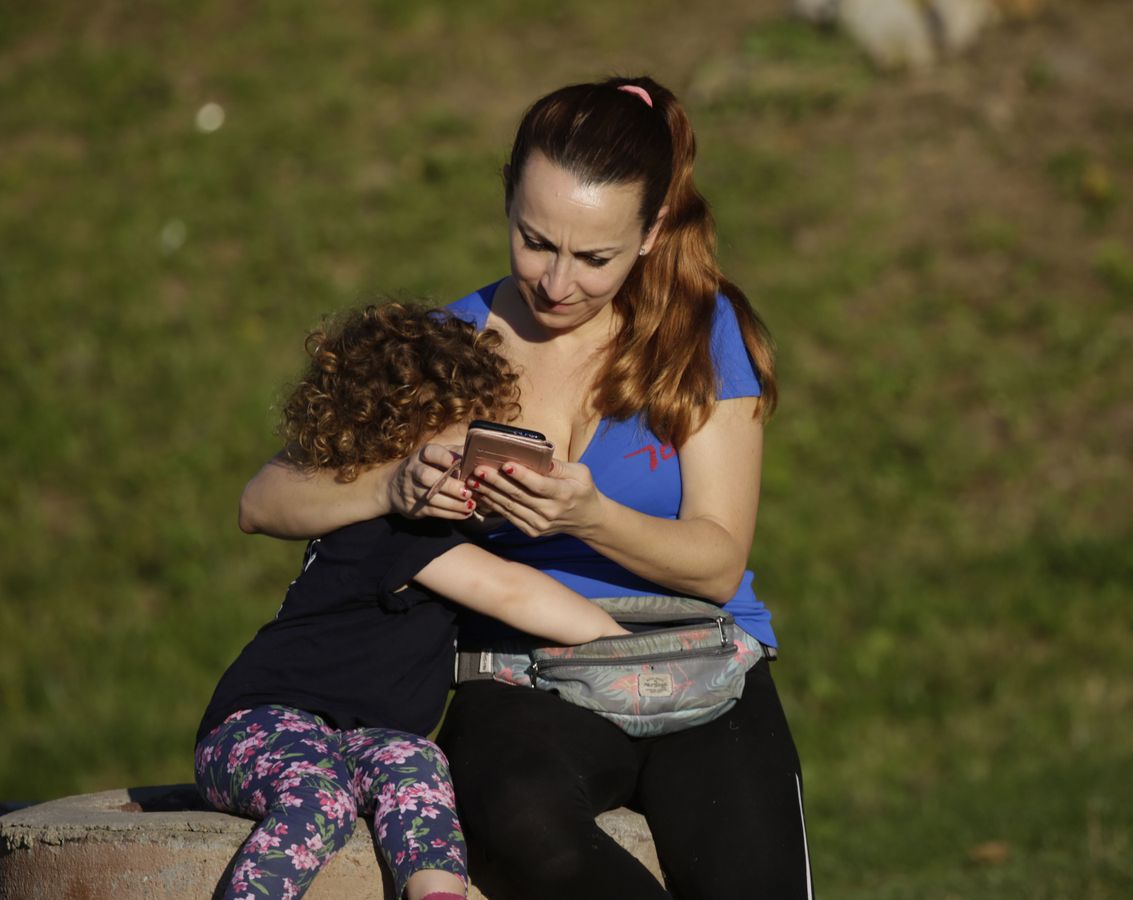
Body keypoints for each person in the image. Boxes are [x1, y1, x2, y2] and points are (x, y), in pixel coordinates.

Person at [239, 76, 813, 900]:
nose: (557, 282)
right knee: (519, 828)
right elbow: (265, 500)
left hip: (696, 662)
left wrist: (592, 517)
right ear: (507, 194)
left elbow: (717, 565)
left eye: (595, 258)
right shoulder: (447, 341)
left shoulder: (703, 330)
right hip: (518, 673)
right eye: (535, 240)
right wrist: (395, 484)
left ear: (652, 231)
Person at [197, 303, 626, 900]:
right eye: (462, 457)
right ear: (397, 449)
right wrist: (630, 648)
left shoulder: (401, 522)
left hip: (364, 737)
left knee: (421, 772)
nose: (482, 475)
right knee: (318, 802)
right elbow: (513, 591)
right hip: (259, 723)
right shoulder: (393, 533)